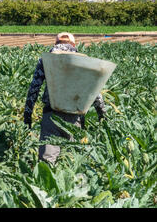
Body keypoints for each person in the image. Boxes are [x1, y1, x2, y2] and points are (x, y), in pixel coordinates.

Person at [23, 32, 106, 164]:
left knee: (47, 162)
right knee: (72, 161)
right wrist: (102, 116)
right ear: (74, 44)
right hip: (75, 116)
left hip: (51, 115)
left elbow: (34, 88)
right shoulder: (83, 61)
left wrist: (27, 116)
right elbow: (95, 92)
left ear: (56, 43)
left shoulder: (47, 59)